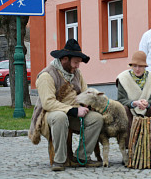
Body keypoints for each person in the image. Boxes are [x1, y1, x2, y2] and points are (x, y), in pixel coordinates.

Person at [28, 39, 103, 171]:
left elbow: (86, 92)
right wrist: (73, 111)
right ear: (64, 59)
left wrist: (90, 103)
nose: (77, 66)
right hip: (50, 114)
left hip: (74, 112)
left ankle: (81, 157)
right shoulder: (47, 75)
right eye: (75, 62)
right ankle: (60, 160)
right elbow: (48, 103)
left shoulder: (77, 73)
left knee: (96, 119)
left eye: (79, 63)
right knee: (60, 117)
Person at [116, 51, 151, 146]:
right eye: (134, 66)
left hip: (146, 111)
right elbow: (121, 100)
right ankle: (129, 147)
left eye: (140, 66)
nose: (137, 69)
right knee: (123, 109)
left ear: (145, 66)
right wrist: (134, 103)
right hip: (130, 111)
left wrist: (147, 103)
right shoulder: (123, 78)